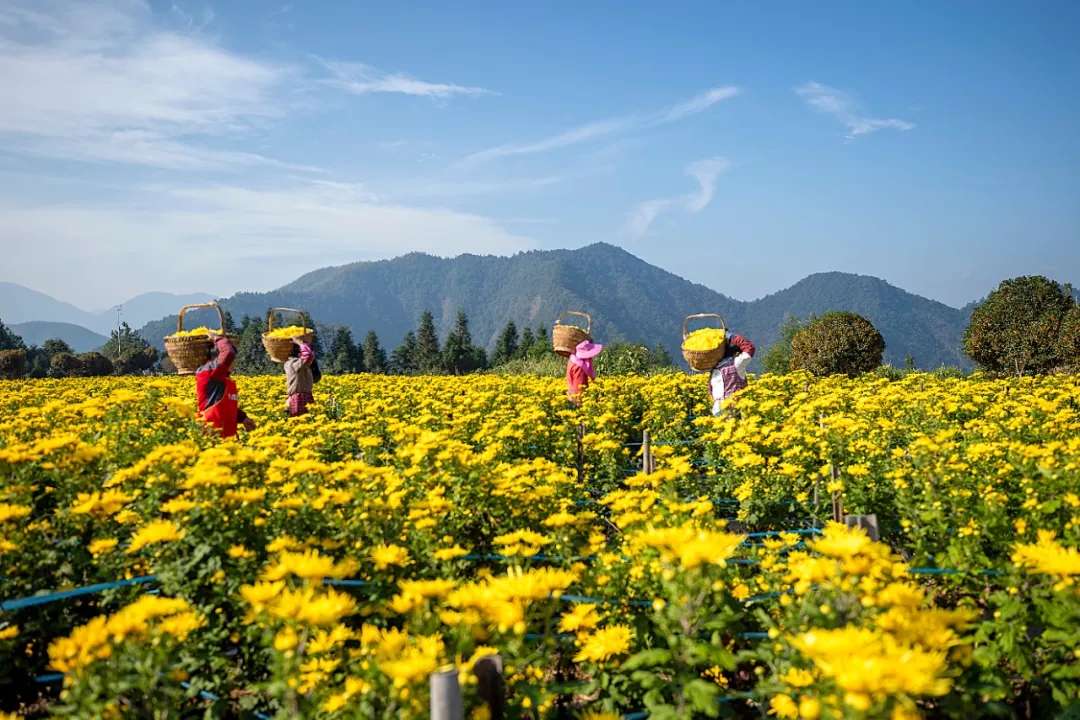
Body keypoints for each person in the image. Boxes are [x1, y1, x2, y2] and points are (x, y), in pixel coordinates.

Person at [196, 332, 256, 438]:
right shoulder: (209, 372)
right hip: (212, 435)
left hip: (227, 436)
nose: (233, 363)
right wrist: (217, 338)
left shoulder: (224, 378)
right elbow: (228, 353)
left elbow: (225, 408)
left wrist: (243, 418)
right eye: (232, 361)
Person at [709, 333, 756, 416]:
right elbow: (749, 347)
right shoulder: (736, 364)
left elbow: (710, 391)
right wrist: (730, 336)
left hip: (718, 412)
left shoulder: (714, 369)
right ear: (737, 354)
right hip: (735, 408)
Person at [283, 336, 319, 417]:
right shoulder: (293, 364)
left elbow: (316, 377)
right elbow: (308, 355)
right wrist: (300, 343)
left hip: (304, 397)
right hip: (299, 399)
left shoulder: (300, 365)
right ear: (300, 354)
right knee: (301, 422)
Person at [567, 339, 603, 406]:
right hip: (577, 402)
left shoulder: (573, 359)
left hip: (571, 397)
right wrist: (580, 404)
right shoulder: (579, 367)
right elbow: (579, 388)